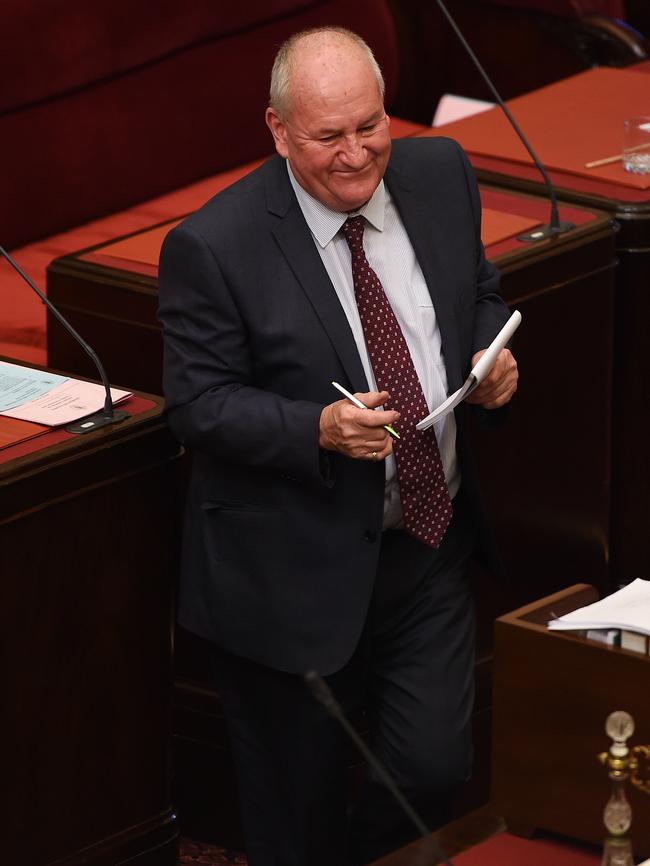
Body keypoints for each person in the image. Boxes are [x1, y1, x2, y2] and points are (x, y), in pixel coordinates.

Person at [158, 26, 518, 866]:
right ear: (279, 131)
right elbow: (197, 407)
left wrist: (492, 361)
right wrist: (315, 428)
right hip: (289, 573)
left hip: (425, 544)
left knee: (435, 772)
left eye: (371, 125)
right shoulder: (213, 246)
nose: (357, 155)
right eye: (328, 137)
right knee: (297, 826)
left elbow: (478, 295)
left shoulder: (440, 174)